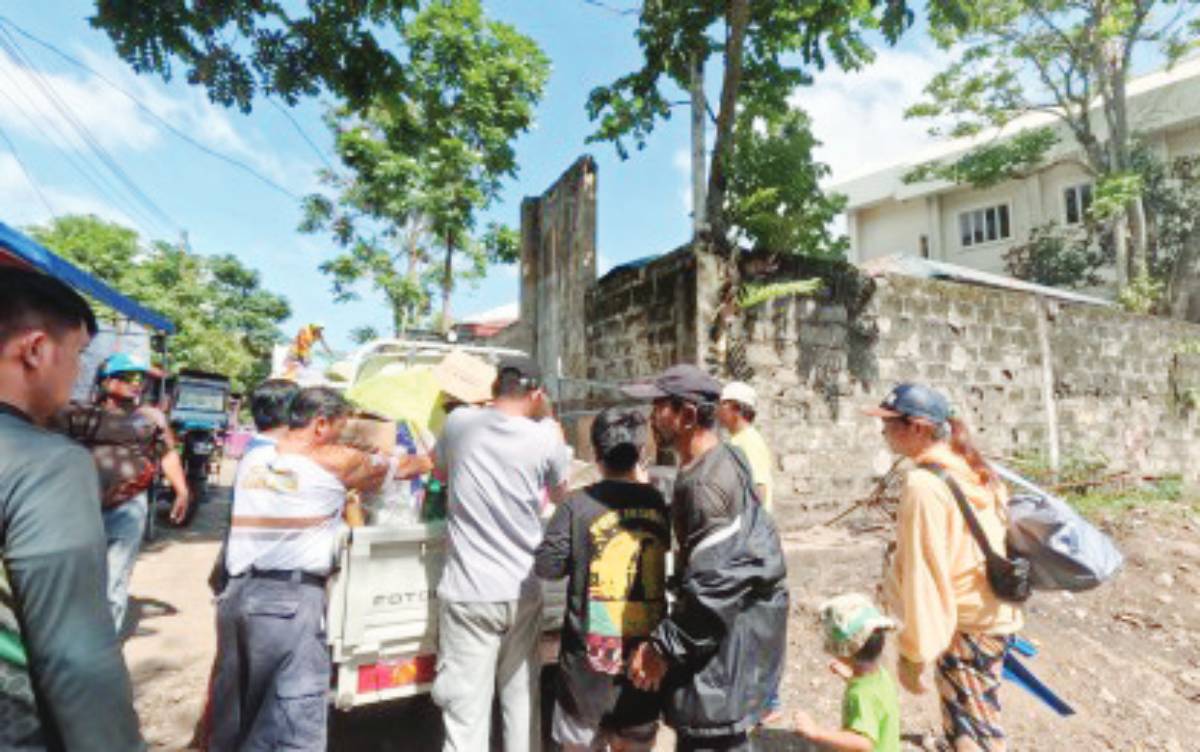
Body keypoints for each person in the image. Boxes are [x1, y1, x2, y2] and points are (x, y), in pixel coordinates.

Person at [0, 267, 143, 750]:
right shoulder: (44, 463)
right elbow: (76, 657)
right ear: (35, 349)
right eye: (78, 355)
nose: (79, 373)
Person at [209, 386, 392, 751]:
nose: (340, 439)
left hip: (238, 598)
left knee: (240, 717)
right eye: (338, 430)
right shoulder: (329, 467)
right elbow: (386, 467)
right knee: (295, 723)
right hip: (289, 604)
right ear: (321, 424)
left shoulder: (253, 459)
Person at [622, 364, 789, 752]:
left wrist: (661, 647)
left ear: (687, 416)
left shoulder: (706, 487)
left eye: (660, 405)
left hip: (720, 654)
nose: (652, 416)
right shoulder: (723, 459)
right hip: (727, 639)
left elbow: (717, 586)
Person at [864, 383, 1023, 751]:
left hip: (965, 620)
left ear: (917, 427)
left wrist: (914, 651)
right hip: (987, 611)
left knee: (977, 730)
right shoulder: (972, 468)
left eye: (889, 424)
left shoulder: (924, 484)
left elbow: (926, 574)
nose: (883, 432)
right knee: (970, 718)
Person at [432, 355, 570, 752]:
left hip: (468, 594)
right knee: (521, 702)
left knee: (465, 715)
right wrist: (546, 419)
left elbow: (439, 472)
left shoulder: (459, 424)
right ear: (536, 393)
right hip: (522, 591)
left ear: (495, 388)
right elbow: (561, 496)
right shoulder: (547, 436)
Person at [535, 407, 669, 752]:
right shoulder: (657, 503)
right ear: (639, 455)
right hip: (644, 665)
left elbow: (548, 567)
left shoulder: (577, 505)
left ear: (595, 454)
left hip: (585, 673)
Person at [88, 352, 191, 633]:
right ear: (107, 381)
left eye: (140, 379)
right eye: (128, 377)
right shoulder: (82, 414)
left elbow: (167, 453)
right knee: (80, 577)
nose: (136, 384)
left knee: (115, 578)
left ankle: (104, 647)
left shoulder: (150, 418)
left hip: (128, 506)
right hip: (82, 506)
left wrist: (181, 491)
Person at [793, 593, 901, 752]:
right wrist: (849, 676)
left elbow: (864, 743)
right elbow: (875, 700)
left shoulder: (860, 695)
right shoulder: (881, 676)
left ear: (845, 653)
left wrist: (816, 732)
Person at [716, 381, 774, 512]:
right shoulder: (738, 439)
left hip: (750, 527)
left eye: (722, 404)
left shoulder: (749, 441)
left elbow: (759, 488)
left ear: (736, 409)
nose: (718, 409)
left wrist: (748, 525)